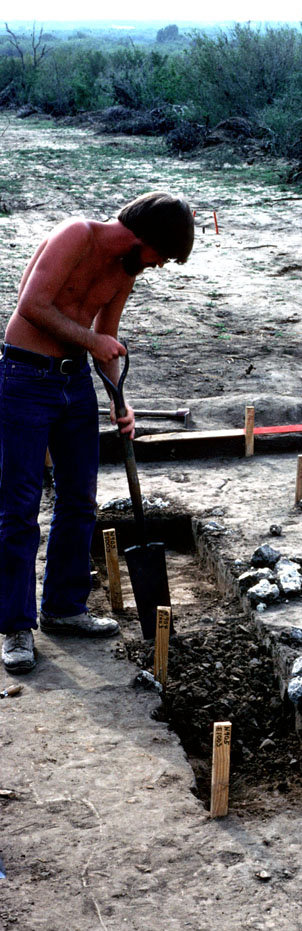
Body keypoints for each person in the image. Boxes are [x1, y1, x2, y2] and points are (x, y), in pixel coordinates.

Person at [0, 191, 195, 674]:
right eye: (161, 255)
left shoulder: (125, 271)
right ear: (143, 238)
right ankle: (16, 628)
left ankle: (64, 608)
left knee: (79, 500)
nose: (158, 266)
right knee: (20, 507)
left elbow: (108, 344)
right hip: (23, 378)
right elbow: (32, 306)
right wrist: (94, 341)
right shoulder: (76, 235)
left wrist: (119, 403)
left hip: (74, 384)